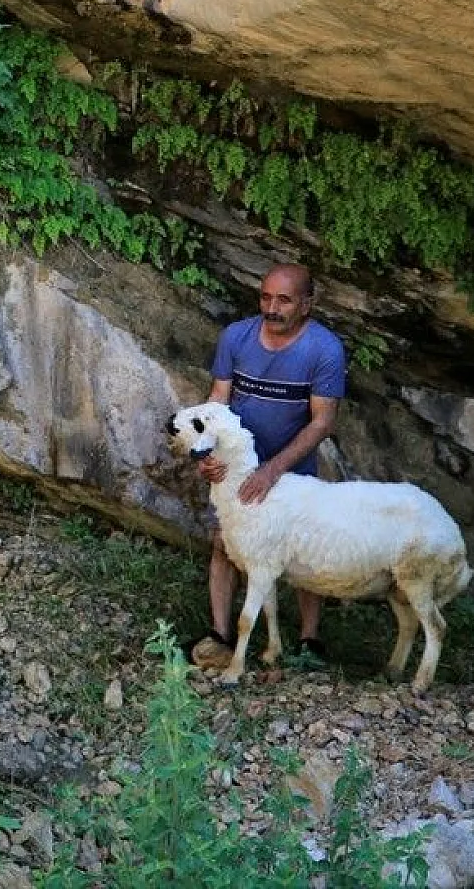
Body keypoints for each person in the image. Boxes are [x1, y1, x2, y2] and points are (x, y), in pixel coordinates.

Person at [188, 263, 346, 667]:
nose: (271, 308)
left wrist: (273, 470)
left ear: (307, 305)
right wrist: (207, 454)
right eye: (265, 297)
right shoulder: (236, 337)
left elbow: (323, 420)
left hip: (291, 466)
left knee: (302, 548)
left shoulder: (323, 349)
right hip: (236, 465)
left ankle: (310, 640)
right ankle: (220, 634)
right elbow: (217, 401)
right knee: (225, 542)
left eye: (284, 300)